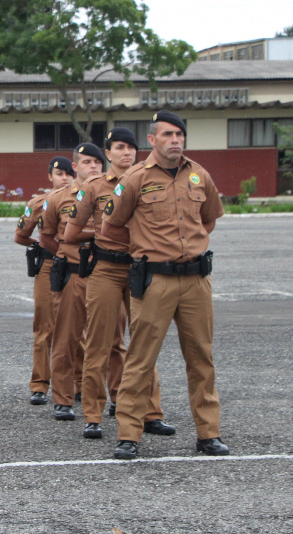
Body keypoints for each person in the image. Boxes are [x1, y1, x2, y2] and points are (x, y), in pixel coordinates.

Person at [103, 111, 227, 460]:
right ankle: (129, 434)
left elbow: (209, 221)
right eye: (168, 135)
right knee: (141, 359)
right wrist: (144, 248)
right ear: (152, 140)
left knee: (201, 358)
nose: (176, 140)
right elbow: (112, 226)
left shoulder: (199, 175)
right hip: (155, 279)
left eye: (180, 135)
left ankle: (208, 434)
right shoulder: (135, 178)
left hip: (196, 281)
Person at [64, 128, 174, 440]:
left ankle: (150, 413)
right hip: (107, 269)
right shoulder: (94, 186)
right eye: (119, 147)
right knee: (99, 343)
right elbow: (70, 234)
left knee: (144, 343)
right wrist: (98, 234)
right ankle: (93, 416)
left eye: (131, 148)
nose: (126, 153)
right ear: (108, 152)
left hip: (142, 269)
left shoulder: (150, 180)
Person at [39, 143, 103, 421]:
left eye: (98, 162)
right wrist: (67, 254)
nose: (94, 167)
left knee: (109, 342)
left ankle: (109, 397)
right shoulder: (58, 198)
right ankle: (63, 399)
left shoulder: (115, 193)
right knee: (66, 339)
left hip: (106, 275)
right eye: (87, 162)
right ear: (75, 166)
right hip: (73, 274)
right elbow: (46, 238)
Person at [14, 157, 72, 406]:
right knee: (44, 327)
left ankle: (77, 383)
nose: (65, 178)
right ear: (50, 177)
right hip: (49, 266)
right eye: (59, 173)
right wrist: (41, 245)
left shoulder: (84, 200)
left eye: (69, 173)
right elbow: (20, 236)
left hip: (80, 267)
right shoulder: (39, 203)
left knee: (77, 328)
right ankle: (40, 384)